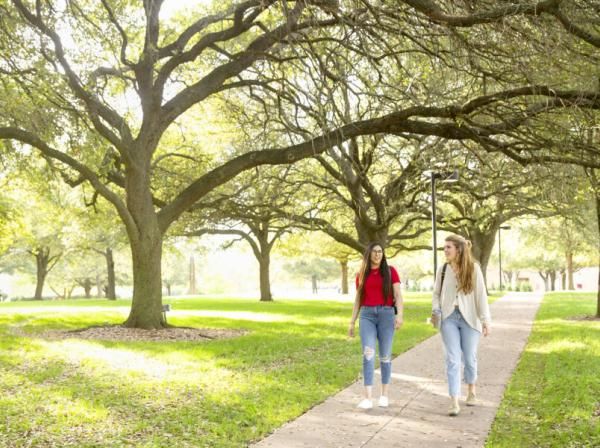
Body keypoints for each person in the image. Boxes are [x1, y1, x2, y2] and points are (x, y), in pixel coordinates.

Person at [431, 234, 491, 416]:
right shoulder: (442, 269)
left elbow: (481, 296)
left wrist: (485, 320)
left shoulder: (474, 269)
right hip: (448, 317)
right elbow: (436, 294)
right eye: (445, 247)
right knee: (452, 358)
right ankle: (454, 400)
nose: (445, 250)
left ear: (458, 249)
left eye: (448, 247)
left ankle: (471, 390)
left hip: (470, 318)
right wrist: (436, 310)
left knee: (470, 358)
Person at [348, 242, 404, 409]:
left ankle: (384, 395)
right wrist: (352, 322)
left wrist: (399, 315)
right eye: (374, 252)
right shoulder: (361, 274)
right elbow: (358, 299)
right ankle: (367, 398)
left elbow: (398, 295)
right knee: (368, 354)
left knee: (385, 355)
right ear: (369, 254)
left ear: (383, 254)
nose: (377, 255)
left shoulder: (390, 271)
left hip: (386, 315)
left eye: (380, 252)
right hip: (367, 316)